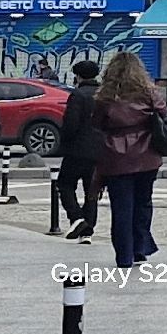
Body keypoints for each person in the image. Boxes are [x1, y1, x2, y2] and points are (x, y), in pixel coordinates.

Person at [92, 54, 165, 268]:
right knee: (143, 203)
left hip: (115, 157)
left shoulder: (105, 96)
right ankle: (140, 249)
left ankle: (124, 255)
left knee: (121, 208)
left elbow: (96, 123)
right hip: (146, 154)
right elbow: (163, 112)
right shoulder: (148, 92)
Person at [57, 60, 103, 241]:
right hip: (100, 151)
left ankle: (77, 218)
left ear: (78, 76)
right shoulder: (104, 95)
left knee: (65, 184)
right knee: (91, 191)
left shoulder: (78, 95)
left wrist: (64, 142)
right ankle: (87, 231)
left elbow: (71, 124)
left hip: (77, 150)